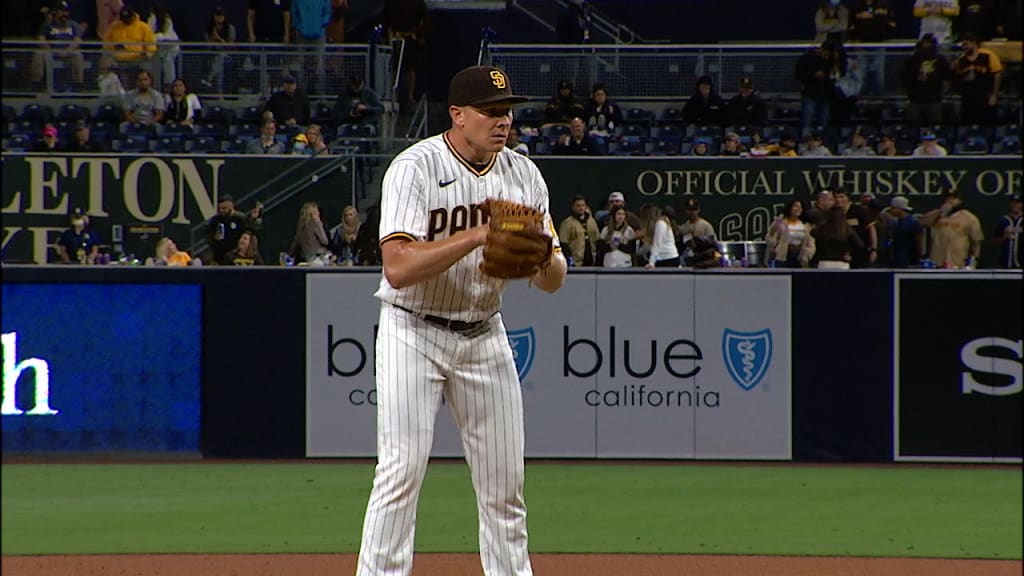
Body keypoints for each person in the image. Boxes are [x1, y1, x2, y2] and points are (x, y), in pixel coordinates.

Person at [356, 65, 567, 576]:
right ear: (457, 115)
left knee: (504, 487)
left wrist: (543, 259)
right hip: (413, 329)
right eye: (490, 112)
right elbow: (399, 268)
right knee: (401, 472)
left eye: (507, 111)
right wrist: (475, 236)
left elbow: (554, 280)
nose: (503, 121)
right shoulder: (416, 167)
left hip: (483, 332)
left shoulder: (523, 174)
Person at [918, 188, 983, 268]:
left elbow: (976, 242)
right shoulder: (937, 215)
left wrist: (974, 260)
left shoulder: (970, 218)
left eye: (953, 198)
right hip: (937, 262)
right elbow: (921, 223)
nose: (950, 201)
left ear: (959, 201)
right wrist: (941, 211)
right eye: (947, 198)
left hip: (958, 262)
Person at [384, 0, 430, 108]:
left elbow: (424, 20)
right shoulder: (391, 3)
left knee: (410, 68)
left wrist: (421, 36)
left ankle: (409, 96)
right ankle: (393, 94)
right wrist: (388, 37)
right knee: (394, 68)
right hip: (394, 40)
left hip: (411, 40)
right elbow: (386, 21)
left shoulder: (418, 3)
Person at [901, 33, 951, 128]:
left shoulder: (941, 60)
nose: (927, 45)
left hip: (934, 100)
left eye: (930, 43)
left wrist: (942, 93)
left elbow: (947, 78)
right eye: (926, 42)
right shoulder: (911, 60)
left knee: (934, 127)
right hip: (915, 100)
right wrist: (914, 82)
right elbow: (904, 79)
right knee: (914, 127)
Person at [31, 1, 85, 86]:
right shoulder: (47, 25)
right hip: (50, 51)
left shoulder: (73, 25)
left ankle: (78, 85)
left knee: (78, 55)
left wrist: (66, 51)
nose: (65, 14)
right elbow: (41, 39)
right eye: (62, 11)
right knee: (38, 54)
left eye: (66, 11)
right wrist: (51, 50)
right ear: (55, 12)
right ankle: (36, 84)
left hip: (68, 52)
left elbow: (78, 41)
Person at [796, 40, 845, 133]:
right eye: (825, 54)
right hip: (810, 93)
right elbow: (799, 76)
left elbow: (838, 75)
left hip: (826, 94)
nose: (826, 57)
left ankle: (822, 140)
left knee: (823, 121)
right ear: (821, 49)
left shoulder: (832, 60)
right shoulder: (807, 58)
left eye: (829, 55)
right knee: (807, 120)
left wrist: (836, 62)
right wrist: (813, 75)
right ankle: (805, 139)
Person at [953, 34, 1003, 126]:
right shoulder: (961, 60)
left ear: (973, 43)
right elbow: (957, 78)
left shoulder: (988, 55)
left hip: (985, 97)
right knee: (967, 126)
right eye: (962, 45)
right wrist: (965, 78)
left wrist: (994, 95)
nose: (963, 47)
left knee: (986, 126)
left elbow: (997, 74)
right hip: (968, 99)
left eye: (966, 44)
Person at [206, 195, 260, 264]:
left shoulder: (241, 218)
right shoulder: (216, 220)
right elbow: (209, 236)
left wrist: (253, 219)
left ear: (231, 207)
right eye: (219, 208)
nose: (221, 210)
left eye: (224, 208)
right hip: (219, 256)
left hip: (235, 257)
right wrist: (214, 238)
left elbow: (250, 233)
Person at [766, 200, 815, 268]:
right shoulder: (781, 223)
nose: (798, 209)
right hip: (783, 255)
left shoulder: (805, 226)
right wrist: (774, 230)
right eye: (796, 206)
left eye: (800, 207)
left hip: (798, 255)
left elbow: (810, 244)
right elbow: (770, 240)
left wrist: (806, 255)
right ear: (790, 208)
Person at [835, 187, 877, 267]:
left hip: (859, 251)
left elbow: (871, 228)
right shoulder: (834, 213)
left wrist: (873, 249)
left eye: (841, 197)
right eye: (836, 197)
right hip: (841, 253)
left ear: (848, 197)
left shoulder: (859, 210)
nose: (838, 200)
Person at [559, 194, 600, 266]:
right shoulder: (567, 223)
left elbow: (597, 239)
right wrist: (570, 259)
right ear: (573, 207)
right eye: (578, 206)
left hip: (591, 260)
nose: (580, 208)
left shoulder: (591, 221)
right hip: (576, 261)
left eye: (582, 205)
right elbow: (563, 243)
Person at [147, 2, 179, 89]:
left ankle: (169, 87)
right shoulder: (152, 18)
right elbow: (150, 33)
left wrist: (159, 37)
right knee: (154, 66)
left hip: (169, 49)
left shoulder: (167, 21)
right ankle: (155, 87)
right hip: (157, 50)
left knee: (168, 63)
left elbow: (168, 37)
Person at [203, 6, 236, 91]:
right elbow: (208, 45)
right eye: (217, 15)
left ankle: (209, 79)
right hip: (213, 53)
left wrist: (219, 38)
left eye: (221, 15)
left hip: (228, 54)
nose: (219, 18)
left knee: (221, 57)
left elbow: (230, 45)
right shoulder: (210, 28)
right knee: (217, 59)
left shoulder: (230, 28)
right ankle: (214, 87)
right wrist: (213, 40)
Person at [887, 195, 925, 267]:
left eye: (893, 208)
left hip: (909, 260)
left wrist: (919, 258)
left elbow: (919, 242)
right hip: (896, 259)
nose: (891, 210)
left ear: (899, 208)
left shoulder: (913, 222)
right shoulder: (896, 222)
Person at [638, 203, 679, 268]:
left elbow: (657, 244)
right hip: (663, 259)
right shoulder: (659, 224)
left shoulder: (660, 223)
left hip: (668, 260)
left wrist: (651, 262)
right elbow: (650, 245)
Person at [992, 194, 1022, 269]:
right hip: (1005, 264)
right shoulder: (1003, 220)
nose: (1015, 205)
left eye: (1018, 203)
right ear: (1010, 204)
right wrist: (1004, 237)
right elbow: (994, 240)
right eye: (1013, 202)